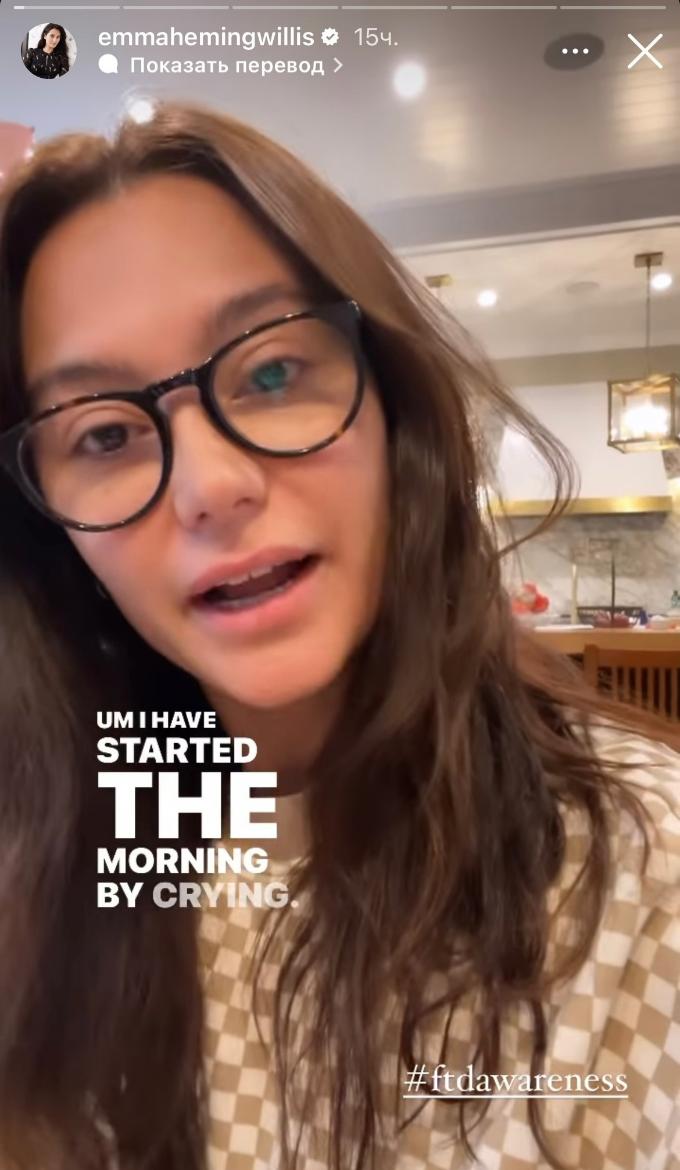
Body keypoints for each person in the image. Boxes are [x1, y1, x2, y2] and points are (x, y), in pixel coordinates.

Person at [0, 102, 677, 1170]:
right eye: (107, 433)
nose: (210, 486)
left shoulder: (639, 877)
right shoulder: (51, 851)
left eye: (271, 373)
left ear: (395, 408)